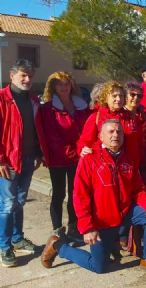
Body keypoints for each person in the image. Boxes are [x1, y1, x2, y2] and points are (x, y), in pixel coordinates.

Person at [41, 120, 146, 274]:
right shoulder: (89, 159)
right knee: (99, 267)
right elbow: (80, 196)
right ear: (101, 136)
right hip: (102, 221)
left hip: (125, 214)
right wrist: (87, 228)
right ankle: (58, 246)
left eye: (119, 132)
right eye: (111, 132)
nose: (116, 135)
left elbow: (138, 189)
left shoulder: (128, 158)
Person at [35, 71, 91, 245]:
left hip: (78, 157)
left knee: (76, 194)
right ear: (53, 87)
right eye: (59, 84)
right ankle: (57, 230)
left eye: (67, 83)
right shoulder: (47, 109)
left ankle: (73, 227)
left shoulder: (82, 106)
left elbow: (86, 131)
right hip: (58, 158)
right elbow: (50, 136)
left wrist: (82, 150)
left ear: (72, 85)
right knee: (58, 193)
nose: (64, 87)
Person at [0, 60, 41, 267]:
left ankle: (17, 239)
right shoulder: (2, 99)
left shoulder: (33, 100)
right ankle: (4, 246)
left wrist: (38, 154)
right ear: (12, 75)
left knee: (19, 202)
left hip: (27, 158)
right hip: (8, 162)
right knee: (7, 205)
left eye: (30, 76)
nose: (27, 79)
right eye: (23, 75)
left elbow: (37, 130)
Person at [77, 81, 146, 169]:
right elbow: (85, 141)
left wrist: (143, 159)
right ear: (106, 98)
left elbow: (143, 141)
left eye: (121, 96)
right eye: (114, 96)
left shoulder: (131, 117)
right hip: (105, 167)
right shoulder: (96, 116)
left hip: (131, 168)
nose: (118, 99)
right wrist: (83, 149)